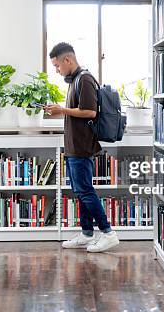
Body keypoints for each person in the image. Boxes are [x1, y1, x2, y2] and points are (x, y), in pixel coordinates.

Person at [45, 42, 120, 253]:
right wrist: (60, 110)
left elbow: (90, 112)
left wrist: (62, 110)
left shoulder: (84, 79)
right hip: (73, 147)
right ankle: (87, 233)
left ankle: (108, 233)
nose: (56, 70)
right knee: (80, 192)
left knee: (86, 191)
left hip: (82, 146)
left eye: (57, 66)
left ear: (67, 60)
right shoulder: (74, 80)